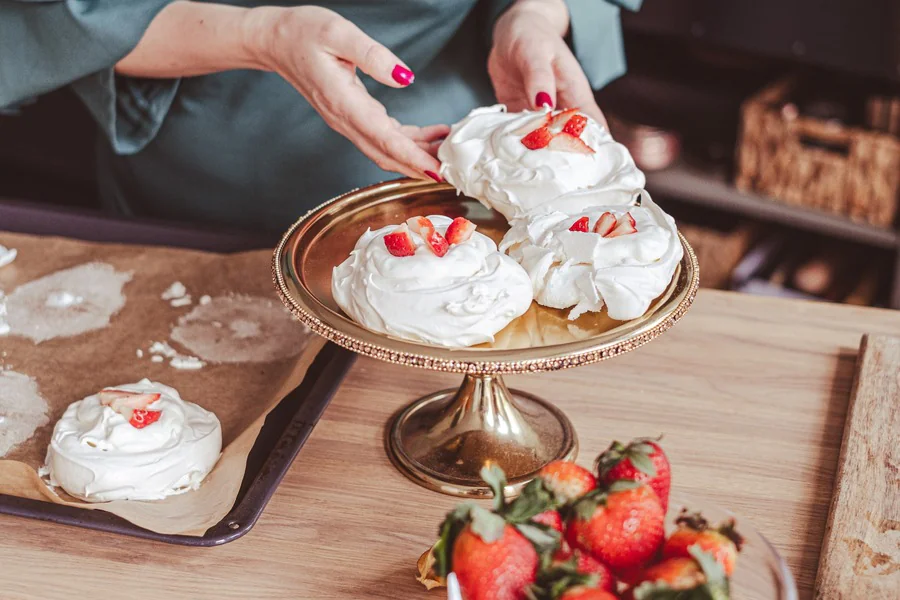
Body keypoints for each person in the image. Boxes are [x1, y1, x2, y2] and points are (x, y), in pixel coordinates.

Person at [0, 0, 641, 232]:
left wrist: (531, 14)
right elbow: (63, 15)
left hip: (452, 174)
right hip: (200, 167)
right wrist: (263, 33)